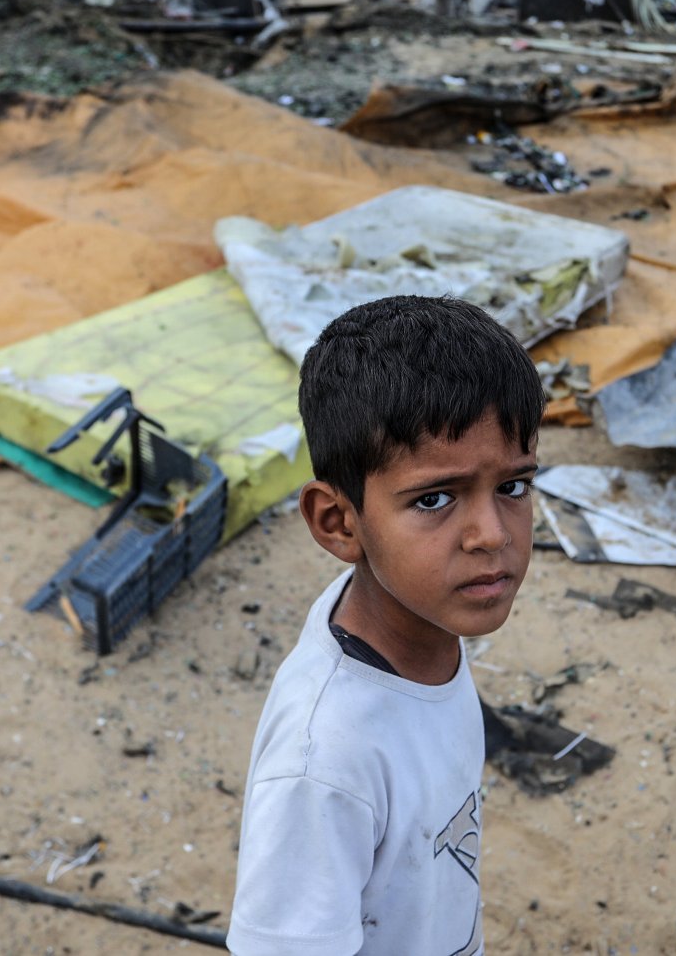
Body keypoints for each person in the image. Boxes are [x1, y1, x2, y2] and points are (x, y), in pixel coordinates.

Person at [227, 296, 545, 955]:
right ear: (338, 523)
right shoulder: (325, 761)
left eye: (513, 487)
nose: (491, 535)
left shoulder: (424, 627)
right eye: (435, 499)